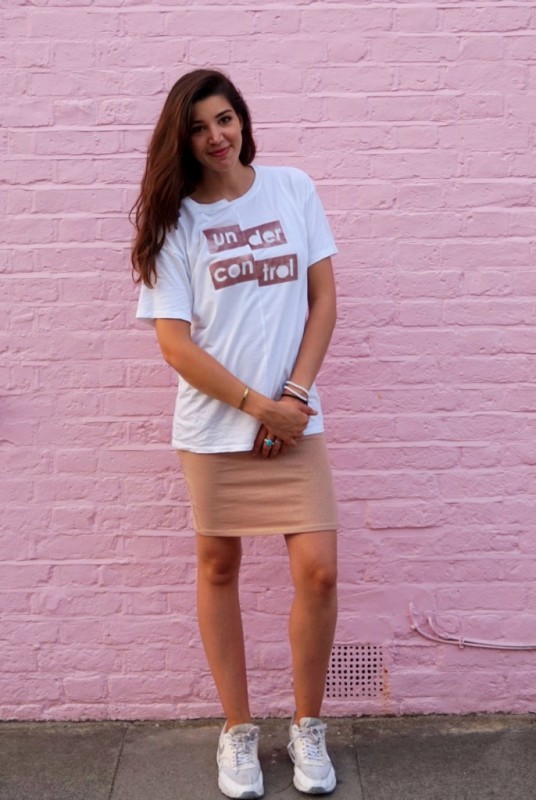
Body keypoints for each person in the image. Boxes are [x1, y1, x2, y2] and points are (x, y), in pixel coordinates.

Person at [131, 69, 339, 799]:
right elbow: (175, 344)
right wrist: (259, 408)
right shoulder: (176, 223)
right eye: (198, 128)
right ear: (181, 141)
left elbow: (323, 300)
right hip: (217, 427)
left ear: (243, 120)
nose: (216, 136)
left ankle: (308, 726)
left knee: (319, 571)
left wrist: (293, 398)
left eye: (224, 119)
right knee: (218, 567)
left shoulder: (292, 189)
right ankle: (238, 729)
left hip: (295, 416)